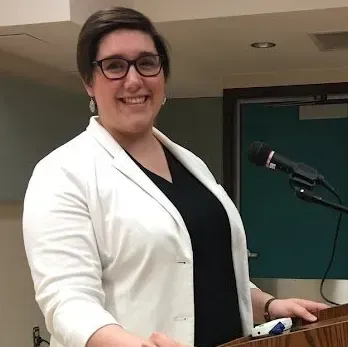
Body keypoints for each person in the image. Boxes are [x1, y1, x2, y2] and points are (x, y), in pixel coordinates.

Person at [22, 6, 328, 347]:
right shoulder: (61, 173)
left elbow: (208, 273)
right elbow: (67, 303)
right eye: (114, 66)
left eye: (147, 62)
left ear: (162, 73)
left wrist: (269, 306)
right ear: (88, 83)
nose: (134, 79)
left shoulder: (191, 164)